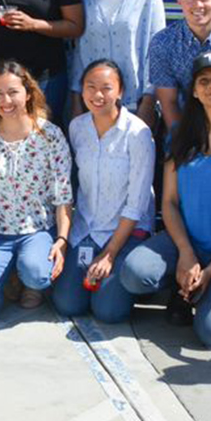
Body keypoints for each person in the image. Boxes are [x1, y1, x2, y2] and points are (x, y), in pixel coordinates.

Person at [114, 51, 211, 349]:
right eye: (204, 81)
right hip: (186, 241)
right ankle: (180, 285)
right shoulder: (180, 135)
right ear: (194, 90)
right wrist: (186, 253)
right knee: (135, 274)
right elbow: (168, 202)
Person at [0, 61, 73, 322]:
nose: (6, 100)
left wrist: (62, 241)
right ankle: (8, 274)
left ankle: (29, 280)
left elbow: (63, 196)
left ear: (28, 93)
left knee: (36, 271)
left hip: (37, 231)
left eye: (13, 92)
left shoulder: (50, 136)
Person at [50, 60, 155, 323]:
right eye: (90, 87)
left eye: (107, 88)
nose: (98, 95)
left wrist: (109, 254)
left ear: (120, 92)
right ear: (82, 90)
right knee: (67, 304)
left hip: (125, 232)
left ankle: (131, 278)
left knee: (108, 311)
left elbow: (137, 203)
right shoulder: (77, 127)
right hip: (87, 229)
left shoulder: (138, 133)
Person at [72, 0, 166, 123]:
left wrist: (148, 101)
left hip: (134, 103)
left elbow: (157, 50)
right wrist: (76, 97)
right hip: (94, 104)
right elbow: (80, 50)